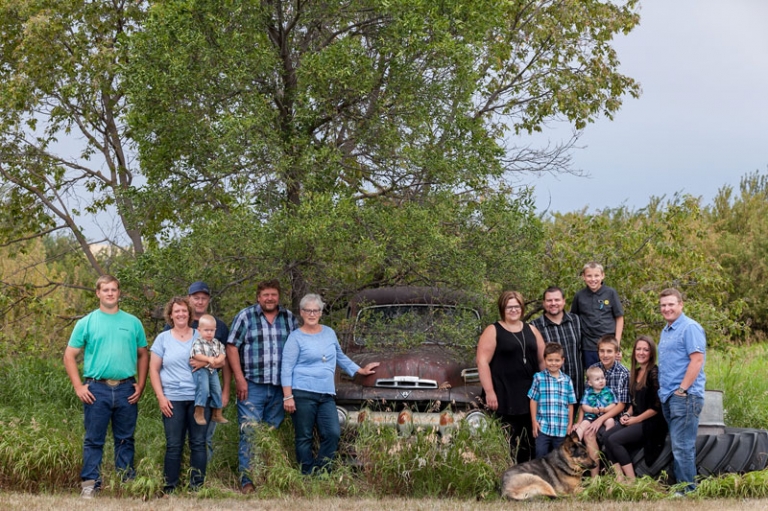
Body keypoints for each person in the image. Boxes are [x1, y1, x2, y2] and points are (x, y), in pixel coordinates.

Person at [63, 275, 149, 499]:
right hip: (96, 389)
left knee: (125, 439)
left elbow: (143, 354)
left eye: (114, 289)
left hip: (126, 388)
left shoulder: (133, 322)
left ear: (119, 293)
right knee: (93, 439)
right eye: (105, 290)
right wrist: (78, 387)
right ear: (98, 293)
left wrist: (141, 383)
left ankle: (125, 485)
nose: (110, 293)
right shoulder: (87, 322)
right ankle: (90, 485)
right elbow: (69, 355)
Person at [281, 293, 379, 475]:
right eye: (308, 310)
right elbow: (286, 368)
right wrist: (288, 396)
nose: (312, 314)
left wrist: (360, 370)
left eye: (316, 310)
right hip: (302, 392)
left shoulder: (329, 333)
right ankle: (307, 474)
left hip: (326, 394)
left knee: (333, 433)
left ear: (320, 312)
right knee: (304, 437)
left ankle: (322, 472)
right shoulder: (295, 338)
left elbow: (340, 357)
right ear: (302, 312)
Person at [226, 279, 299, 493]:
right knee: (250, 433)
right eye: (265, 294)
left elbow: (298, 347)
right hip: (252, 386)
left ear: (279, 296)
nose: (269, 298)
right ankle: (247, 481)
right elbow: (231, 347)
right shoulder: (245, 316)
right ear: (258, 297)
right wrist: (239, 379)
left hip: (279, 387)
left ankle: (267, 477)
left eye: (273, 294)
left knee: (270, 433)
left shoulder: (289, 319)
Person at [149, 297, 223, 492]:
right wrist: (161, 397)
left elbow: (219, 361)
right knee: (174, 445)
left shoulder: (199, 337)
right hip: (172, 399)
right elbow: (153, 370)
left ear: (190, 314)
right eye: (177, 311)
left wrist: (205, 362)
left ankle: (196, 487)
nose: (181, 314)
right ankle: (170, 487)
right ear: (170, 315)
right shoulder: (163, 339)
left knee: (198, 443)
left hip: (200, 398)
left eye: (184, 310)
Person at [477, 290, 546, 463]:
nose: (513, 310)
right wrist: (489, 391)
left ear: (522, 308)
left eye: (516, 306)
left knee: (529, 437)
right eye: (509, 307)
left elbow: (543, 360)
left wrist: (547, 388)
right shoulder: (493, 330)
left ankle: (527, 473)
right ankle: (504, 471)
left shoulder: (532, 330)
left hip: (530, 393)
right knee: (507, 436)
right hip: (504, 393)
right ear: (502, 308)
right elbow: (482, 361)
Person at [658, 288, 706, 493]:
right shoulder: (666, 330)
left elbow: (697, 360)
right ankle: (682, 488)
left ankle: (688, 491)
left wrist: (682, 389)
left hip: (684, 397)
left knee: (683, 446)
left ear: (681, 304)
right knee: (678, 446)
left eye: (671, 304)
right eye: (663, 305)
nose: (667, 308)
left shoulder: (690, 328)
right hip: (669, 396)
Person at [603, 335, 668, 482]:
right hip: (636, 418)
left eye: (646, 349)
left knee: (614, 440)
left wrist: (635, 420)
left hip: (651, 422)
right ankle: (619, 478)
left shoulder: (654, 373)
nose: (641, 352)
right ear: (634, 352)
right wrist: (626, 414)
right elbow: (634, 403)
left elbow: (656, 407)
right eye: (638, 349)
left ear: (651, 353)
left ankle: (631, 482)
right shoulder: (636, 372)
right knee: (607, 436)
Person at [185, 281, 231, 460]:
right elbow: (187, 358)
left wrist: (225, 390)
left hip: (211, 388)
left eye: (204, 298)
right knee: (184, 436)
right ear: (189, 299)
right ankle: (186, 472)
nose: (200, 302)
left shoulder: (218, 327)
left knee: (206, 436)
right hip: (183, 390)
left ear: (208, 300)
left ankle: (204, 475)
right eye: (196, 298)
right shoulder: (180, 322)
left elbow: (225, 360)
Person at [582, 335, 629, 476]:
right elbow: (586, 399)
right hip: (594, 416)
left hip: (615, 418)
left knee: (609, 434)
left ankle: (616, 475)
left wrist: (600, 420)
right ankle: (595, 478)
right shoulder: (593, 369)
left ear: (616, 353)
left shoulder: (623, 373)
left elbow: (621, 405)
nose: (605, 355)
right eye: (602, 351)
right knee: (588, 433)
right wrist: (579, 422)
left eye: (609, 351)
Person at [532, 286, 584, 401]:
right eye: (549, 300)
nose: (553, 303)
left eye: (557, 300)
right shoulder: (534, 326)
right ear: (544, 303)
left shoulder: (576, 320)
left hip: (577, 387)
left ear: (564, 301)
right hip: (551, 390)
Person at [570, 262, 624, 368]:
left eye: (596, 275)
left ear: (602, 275)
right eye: (589, 276)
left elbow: (619, 317)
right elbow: (573, 319)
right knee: (593, 376)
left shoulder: (611, 293)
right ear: (583, 277)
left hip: (609, 344)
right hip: (588, 346)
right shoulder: (579, 296)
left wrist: (616, 343)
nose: (593, 279)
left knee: (611, 376)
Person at [528, 343, 576, 458]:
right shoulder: (539, 378)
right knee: (540, 453)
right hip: (543, 426)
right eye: (550, 360)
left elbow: (570, 404)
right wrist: (534, 421)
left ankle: (557, 476)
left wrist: (570, 424)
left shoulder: (567, 380)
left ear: (562, 360)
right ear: (544, 359)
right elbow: (533, 400)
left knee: (559, 457)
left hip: (561, 427)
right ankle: (540, 475)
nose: (553, 363)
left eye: (557, 360)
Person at [190, 314, 229, 426]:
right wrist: (208, 359)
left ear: (215, 330)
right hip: (201, 371)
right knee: (204, 389)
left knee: (217, 390)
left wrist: (217, 360)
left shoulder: (217, 343)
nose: (209, 333)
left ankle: (217, 413)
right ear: (199, 330)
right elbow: (196, 355)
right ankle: (199, 412)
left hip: (213, 370)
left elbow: (222, 355)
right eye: (206, 330)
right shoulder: (198, 342)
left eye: (211, 330)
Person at [573, 366, 618, 440]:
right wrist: (592, 410)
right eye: (597, 379)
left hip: (605, 415)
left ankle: (606, 439)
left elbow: (613, 404)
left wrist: (604, 409)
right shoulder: (588, 392)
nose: (601, 381)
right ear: (590, 383)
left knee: (611, 421)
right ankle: (577, 443)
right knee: (583, 425)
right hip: (590, 416)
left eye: (602, 378)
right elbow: (584, 406)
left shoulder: (608, 392)